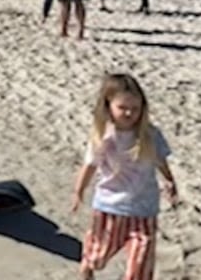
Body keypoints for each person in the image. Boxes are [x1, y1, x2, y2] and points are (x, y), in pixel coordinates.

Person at [71, 73, 178, 280]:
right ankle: (87, 267)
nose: (129, 113)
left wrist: (169, 180)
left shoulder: (150, 134)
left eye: (135, 109)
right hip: (110, 206)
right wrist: (79, 191)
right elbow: (90, 165)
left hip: (144, 209)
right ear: (109, 105)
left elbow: (160, 160)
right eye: (123, 108)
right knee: (98, 256)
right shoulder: (103, 135)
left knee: (140, 265)